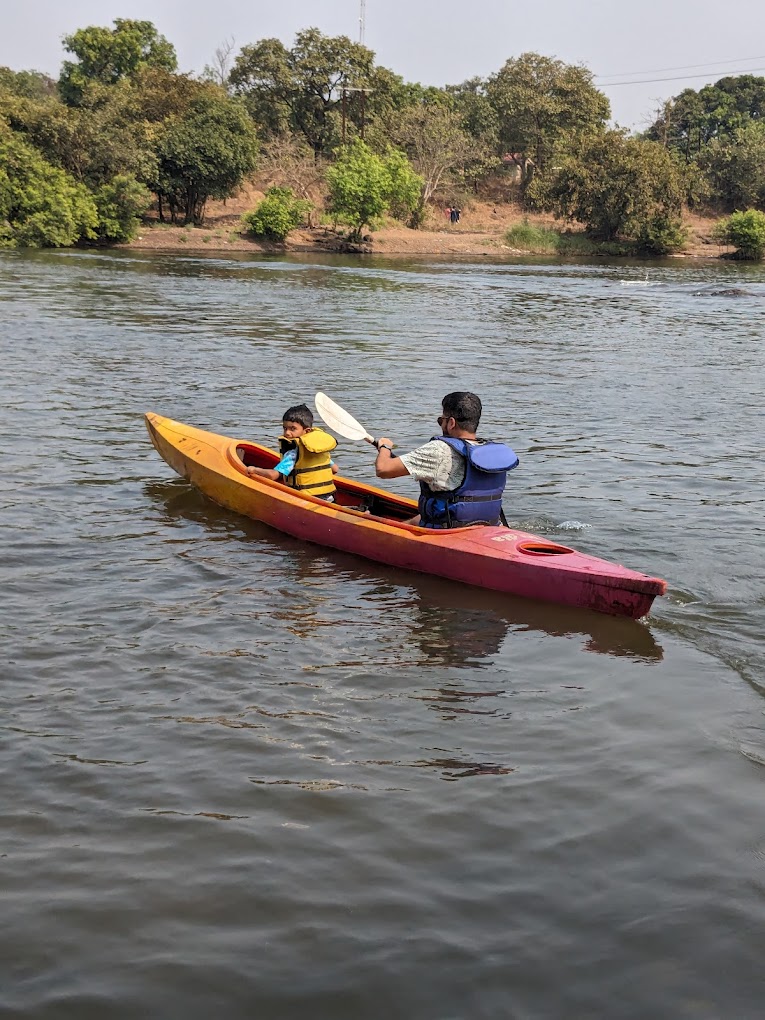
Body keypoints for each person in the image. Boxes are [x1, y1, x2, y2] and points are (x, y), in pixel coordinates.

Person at [373, 392, 519, 528]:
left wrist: (385, 447)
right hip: (489, 527)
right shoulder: (491, 452)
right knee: (419, 518)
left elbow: (384, 469)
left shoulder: (438, 449)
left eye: (441, 420)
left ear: (451, 423)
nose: (441, 425)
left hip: (451, 532)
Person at [246, 403, 338, 501]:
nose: (287, 433)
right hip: (329, 498)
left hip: (305, 499)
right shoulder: (319, 449)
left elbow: (273, 475)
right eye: (285, 428)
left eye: (292, 429)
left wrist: (254, 470)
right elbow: (335, 469)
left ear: (307, 431)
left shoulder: (293, 454)